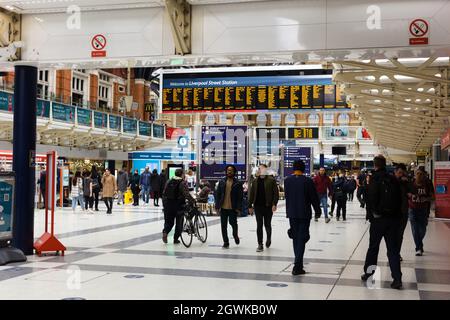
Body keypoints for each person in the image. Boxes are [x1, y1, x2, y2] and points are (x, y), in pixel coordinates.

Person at [362, 155, 403, 290]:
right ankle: (397, 279)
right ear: (385, 165)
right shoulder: (393, 178)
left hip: (378, 220)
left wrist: (373, 213)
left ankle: (369, 274)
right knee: (393, 250)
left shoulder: (374, 178)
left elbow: (371, 198)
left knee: (373, 247)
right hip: (392, 220)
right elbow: (400, 199)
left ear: (375, 165)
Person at [284, 160, 321, 275]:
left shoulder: (287, 181)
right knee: (302, 238)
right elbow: (313, 198)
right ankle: (297, 265)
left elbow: (287, 196)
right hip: (304, 214)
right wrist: (317, 211)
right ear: (304, 169)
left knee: (296, 238)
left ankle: (298, 264)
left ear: (293, 168)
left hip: (292, 213)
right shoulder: (308, 181)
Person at [248, 164, 279, 252]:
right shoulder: (255, 181)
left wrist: (274, 204)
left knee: (267, 224)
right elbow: (252, 194)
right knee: (259, 225)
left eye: (262, 168)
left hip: (268, 206)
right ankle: (260, 244)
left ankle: (268, 238)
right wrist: (250, 206)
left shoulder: (271, 180)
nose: (260, 170)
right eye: (259, 168)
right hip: (258, 206)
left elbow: (275, 193)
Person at [162, 168, 195, 244]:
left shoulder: (169, 181)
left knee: (169, 221)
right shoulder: (182, 182)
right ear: (182, 174)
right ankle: (175, 239)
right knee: (179, 222)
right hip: (178, 205)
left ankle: (165, 232)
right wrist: (193, 200)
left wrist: (165, 204)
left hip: (168, 205)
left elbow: (164, 193)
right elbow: (186, 194)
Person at [215, 165, 243, 249]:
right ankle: (226, 242)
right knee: (223, 226)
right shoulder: (222, 181)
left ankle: (235, 235)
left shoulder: (237, 183)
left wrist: (238, 208)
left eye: (231, 170)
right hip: (223, 208)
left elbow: (240, 197)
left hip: (233, 208)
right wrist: (217, 206)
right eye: (228, 170)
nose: (229, 172)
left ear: (234, 172)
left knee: (233, 223)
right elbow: (218, 194)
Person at [408, 169, 434, 256]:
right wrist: (410, 195)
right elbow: (406, 193)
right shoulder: (411, 184)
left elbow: (432, 197)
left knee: (422, 229)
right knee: (415, 229)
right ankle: (418, 248)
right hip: (412, 209)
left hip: (423, 210)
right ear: (415, 175)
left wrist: (426, 199)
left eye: (421, 174)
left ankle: (419, 244)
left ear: (424, 175)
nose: (419, 175)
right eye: (417, 174)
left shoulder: (428, 184)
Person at [394, 163, 410, 261]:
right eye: (399, 173)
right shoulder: (391, 182)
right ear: (395, 172)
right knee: (393, 235)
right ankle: (393, 253)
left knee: (400, 235)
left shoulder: (406, 182)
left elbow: (413, 190)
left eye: (403, 173)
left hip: (403, 212)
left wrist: (407, 182)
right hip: (393, 212)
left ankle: (396, 253)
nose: (401, 175)